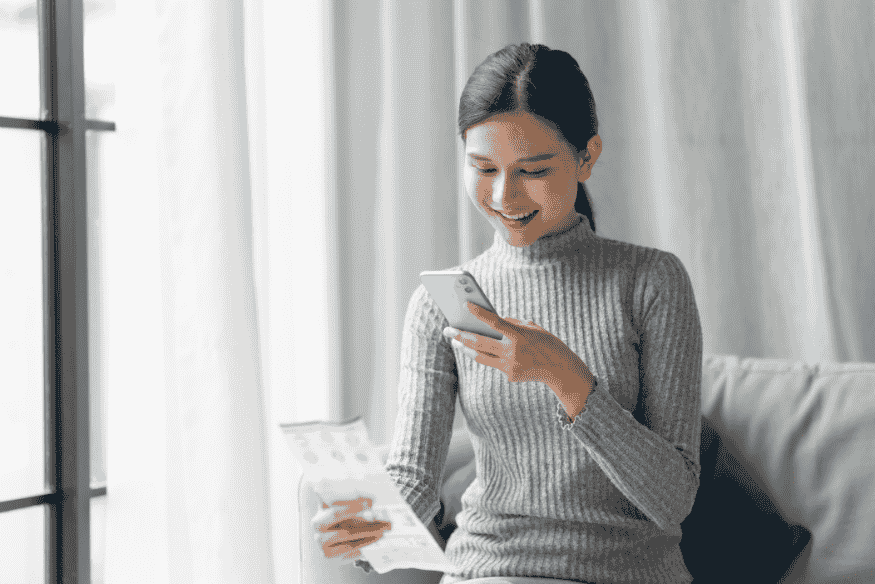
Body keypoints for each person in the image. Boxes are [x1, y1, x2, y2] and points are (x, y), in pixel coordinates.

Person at [313, 42, 703, 584]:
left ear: (587, 156)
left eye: (533, 169)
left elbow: (674, 498)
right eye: (484, 167)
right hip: (486, 572)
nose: (504, 194)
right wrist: (372, 525)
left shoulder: (650, 281)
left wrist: (564, 376)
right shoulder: (442, 302)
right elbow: (414, 479)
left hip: (625, 573)